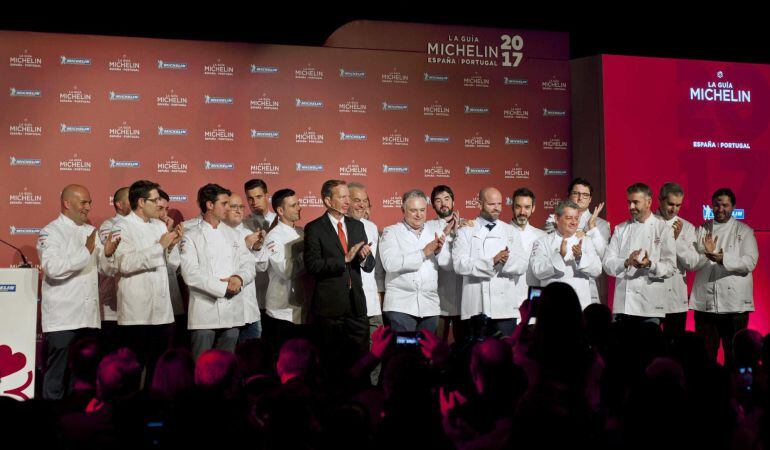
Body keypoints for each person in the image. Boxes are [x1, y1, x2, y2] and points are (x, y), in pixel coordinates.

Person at [38, 184, 119, 399]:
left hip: (89, 319)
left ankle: (78, 424)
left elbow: (105, 270)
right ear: (67, 203)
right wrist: (86, 251)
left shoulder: (90, 232)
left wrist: (108, 255)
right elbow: (53, 268)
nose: (88, 207)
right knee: (56, 378)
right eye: (84, 202)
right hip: (63, 318)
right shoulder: (50, 232)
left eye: (90, 202)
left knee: (82, 381)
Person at [108, 180, 182, 374]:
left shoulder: (159, 226)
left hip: (163, 312)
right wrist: (159, 247)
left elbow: (171, 265)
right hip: (137, 314)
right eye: (155, 200)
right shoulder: (121, 227)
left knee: (159, 369)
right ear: (141, 202)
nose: (160, 204)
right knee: (135, 369)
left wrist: (172, 246)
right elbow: (124, 264)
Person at [180, 184, 256, 358]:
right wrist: (223, 288)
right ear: (209, 205)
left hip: (232, 312)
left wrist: (239, 278)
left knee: (227, 367)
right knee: (200, 366)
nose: (229, 208)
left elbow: (248, 264)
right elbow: (190, 273)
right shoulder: (191, 236)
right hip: (204, 312)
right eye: (224, 203)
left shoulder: (234, 234)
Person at [303, 180, 375, 352]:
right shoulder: (314, 228)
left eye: (348, 197)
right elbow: (312, 265)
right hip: (330, 308)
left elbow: (369, 265)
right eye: (342, 197)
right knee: (331, 361)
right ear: (328, 201)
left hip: (357, 306)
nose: (347, 202)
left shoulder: (357, 226)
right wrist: (344, 259)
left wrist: (365, 257)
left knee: (361, 359)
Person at [689, 188, 758, 365]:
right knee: (705, 356)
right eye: (717, 205)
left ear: (733, 207)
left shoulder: (745, 231)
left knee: (734, 356)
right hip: (705, 306)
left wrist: (723, 258)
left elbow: (749, 262)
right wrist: (706, 254)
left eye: (725, 205)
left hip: (734, 306)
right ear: (711, 206)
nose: (720, 209)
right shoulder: (701, 230)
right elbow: (691, 262)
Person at [453, 187, 527, 337]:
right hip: (476, 306)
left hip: (504, 307)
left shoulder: (511, 231)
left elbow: (522, 265)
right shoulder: (466, 230)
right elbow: (459, 264)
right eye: (492, 204)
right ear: (480, 204)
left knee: (506, 355)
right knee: (475, 355)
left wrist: (506, 260)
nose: (497, 208)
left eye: (499, 204)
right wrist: (491, 262)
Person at [603, 183, 676, 323]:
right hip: (624, 307)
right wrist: (626, 262)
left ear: (649, 202)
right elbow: (607, 263)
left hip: (651, 306)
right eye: (629, 202)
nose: (631, 207)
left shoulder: (663, 228)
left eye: (635, 202)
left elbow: (671, 267)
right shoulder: (620, 229)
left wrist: (650, 265)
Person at [379, 189, 449, 333]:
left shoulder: (435, 230)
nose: (419, 215)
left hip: (429, 306)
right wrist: (424, 253)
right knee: (404, 353)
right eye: (413, 210)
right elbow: (390, 263)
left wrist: (437, 252)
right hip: (400, 306)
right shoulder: (390, 232)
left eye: (422, 210)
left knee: (426, 353)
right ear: (403, 210)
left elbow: (448, 263)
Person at [545, 177, 609, 303]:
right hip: (558, 283)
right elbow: (553, 245)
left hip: (588, 288)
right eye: (576, 193)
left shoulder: (601, 224)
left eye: (585, 195)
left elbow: (603, 256)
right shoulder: (553, 219)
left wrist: (591, 228)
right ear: (568, 196)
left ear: (590, 199)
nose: (580, 198)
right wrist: (580, 234)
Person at [530, 200, 603, 309]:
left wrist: (579, 258)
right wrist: (560, 256)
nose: (574, 222)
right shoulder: (542, 242)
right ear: (557, 218)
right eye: (569, 218)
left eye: (576, 218)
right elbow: (538, 271)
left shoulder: (586, 241)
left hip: (580, 306)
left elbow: (597, 270)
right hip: (552, 307)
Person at [257, 189, 307, 344]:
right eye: (293, 205)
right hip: (282, 312)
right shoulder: (274, 236)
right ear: (280, 210)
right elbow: (286, 270)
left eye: (298, 204)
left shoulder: (302, 233)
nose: (299, 207)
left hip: (302, 309)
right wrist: (309, 254)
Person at [655, 182, 699, 342]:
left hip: (676, 300)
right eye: (670, 204)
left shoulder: (687, 227)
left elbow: (693, 263)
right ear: (660, 200)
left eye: (678, 205)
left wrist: (676, 238)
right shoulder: (647, 224)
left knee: (675, 349)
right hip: (651, 298)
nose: (674, 209)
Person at [346, 183, 385, 349]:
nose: (362, 205)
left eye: (365, 200)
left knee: (376, 349)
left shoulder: (372, 227)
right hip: (348, 305)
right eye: (357, 200)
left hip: (371, 302)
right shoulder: (336, 227)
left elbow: (375, 268)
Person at [222, 193, 265, 342]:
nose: (239, 210)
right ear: (223, 208)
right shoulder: (217, 234)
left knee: (253, 360)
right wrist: (245, 246)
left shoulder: (248, 233)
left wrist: (258, 248)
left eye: (241, 206)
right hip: (229, 312)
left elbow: (262, 267)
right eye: (234, 206)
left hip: (251, 312)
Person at [429, 185, 469, 343]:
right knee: (436, 346)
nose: (443, 203)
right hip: (438, 298)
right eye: (438, 201)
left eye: (446, 199)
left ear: (453, 201)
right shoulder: (428, 227)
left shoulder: (468, 226)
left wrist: (459, 232)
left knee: (464, 347)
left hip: (463, 298)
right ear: (432, 205)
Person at [97, 186, 130, 350]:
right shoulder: (108, 226)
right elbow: (116, 255)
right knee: (112, 362)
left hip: (135, 308)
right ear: (119, 204)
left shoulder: (148, 225)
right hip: (112, 309)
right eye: (131, 199)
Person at [509, 188, 547, 308]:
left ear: (533, 208)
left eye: (527, 207)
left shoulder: (542, 236)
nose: (522, 212)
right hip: (507, 299)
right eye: (518, 206)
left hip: (534, 300)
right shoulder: (501, 233)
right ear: (512, 207)